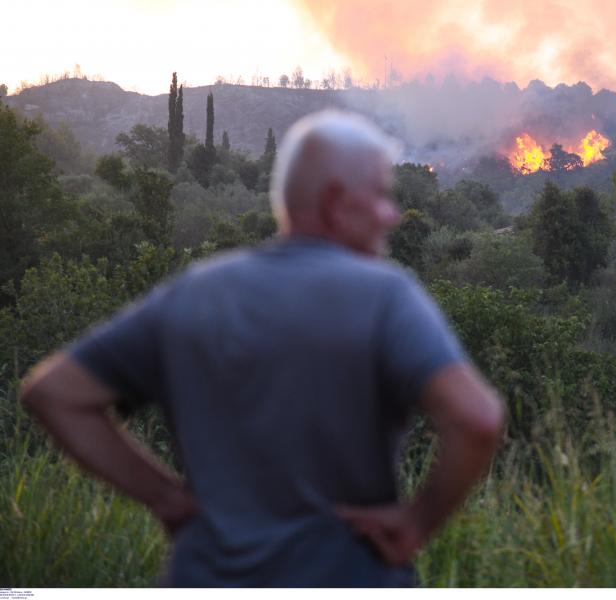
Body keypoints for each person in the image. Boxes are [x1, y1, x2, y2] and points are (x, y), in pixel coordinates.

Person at [20, 110, 505, 587]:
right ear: (335, 201)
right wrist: (417, 523)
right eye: (380, 195)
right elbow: (477, 418)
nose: (392, 214)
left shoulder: (195, 292)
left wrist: (164, 498)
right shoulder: (385, 294)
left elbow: (54, 393)